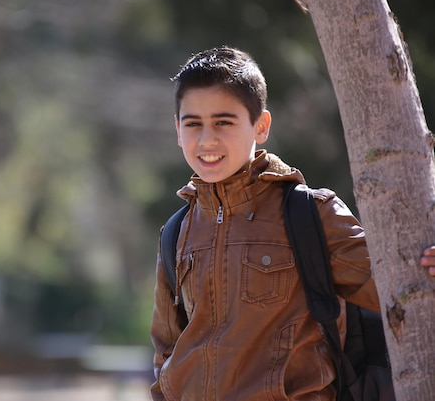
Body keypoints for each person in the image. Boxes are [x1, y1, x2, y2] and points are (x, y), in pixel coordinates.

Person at [150, 45, 435, 401]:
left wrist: (426, 268)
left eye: (224, 122)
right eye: (193, 124)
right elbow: (166, 351)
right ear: (178, 130)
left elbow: (402, 290)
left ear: (261, 125)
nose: (207, 139)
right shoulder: (177, 232)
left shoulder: (310, 213)